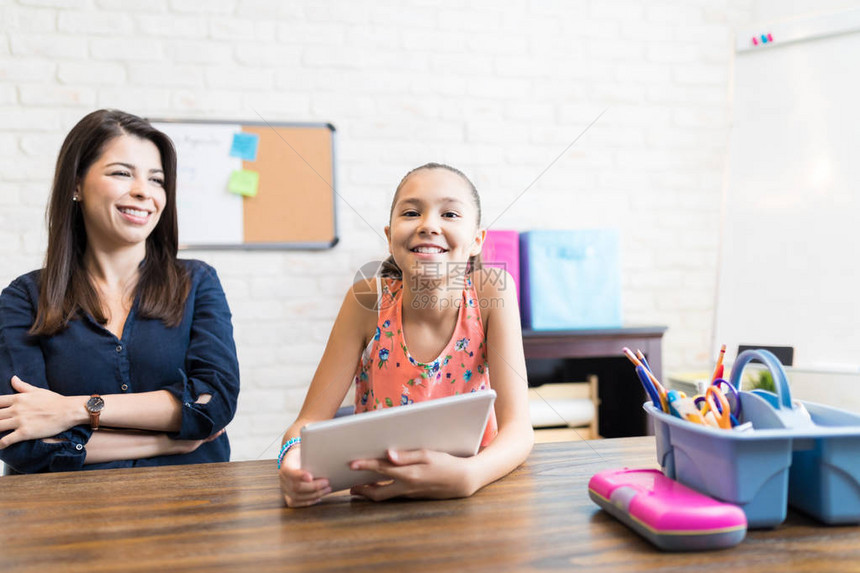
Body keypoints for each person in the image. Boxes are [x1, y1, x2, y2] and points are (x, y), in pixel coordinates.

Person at [278, 163, 533, 507]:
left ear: (476, 240)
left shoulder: (493, 293)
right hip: (379, 501)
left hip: (473, 496)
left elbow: (518, 430)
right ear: (389, 235)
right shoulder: (365, 301)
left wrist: (468, 476)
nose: (428, 225)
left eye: (450, 214)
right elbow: (305, 424)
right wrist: (291, 462)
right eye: (412, 212)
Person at [0, 109, 240, 473]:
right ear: (76, 185)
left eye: (157, 180)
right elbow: (21, 441)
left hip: (191, 510)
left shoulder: (198, 282)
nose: (144, 191)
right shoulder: (24, 298)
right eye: (122, 173)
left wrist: (72, 410)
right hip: (63, 517)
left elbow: (212, 404)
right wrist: (171, 439)